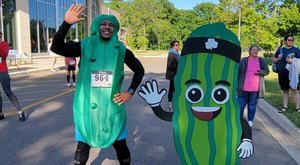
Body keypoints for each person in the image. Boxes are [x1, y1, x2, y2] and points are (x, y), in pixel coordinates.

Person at [50, 4, 144, 165]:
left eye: (111, 24)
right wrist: (66, 24)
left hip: (112, 107)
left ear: (115, 29)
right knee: (83, 145)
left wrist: (129, 92)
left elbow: (139, 70)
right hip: (86, 106)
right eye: (103, 23)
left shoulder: (121, 49)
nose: (107, 27)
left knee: (120, 144)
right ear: (96, 26)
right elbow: (57, 47)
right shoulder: (85, 45)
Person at [237, 44, 269, 127]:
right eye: (254, 50)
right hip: (243, 88)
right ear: (250, 51)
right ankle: (239, 120)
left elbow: (266, 71)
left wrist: (260, 72)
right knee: (240, 105)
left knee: (252, 106)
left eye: (256, 50)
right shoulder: (244, 60)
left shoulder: (261, 61)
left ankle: (250, 120)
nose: (255, 51)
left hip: (255, 89)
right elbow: (238, 72)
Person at [0, 31, 26, 121]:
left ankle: (20, 112)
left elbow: (4, 54)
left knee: (8, 91)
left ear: (0, 35)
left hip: (2, 71)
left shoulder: (4, 44)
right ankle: (0, 113)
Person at [272, 34, 300, 113]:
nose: (291, 41)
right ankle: (285, 106)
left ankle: (298, 108)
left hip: (293, 74)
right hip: (282, 72)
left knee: (295, 90)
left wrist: (292, 60)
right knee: (285, 90)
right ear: (285, 41)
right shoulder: (281, 50)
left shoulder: (296, 50)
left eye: (292, 40)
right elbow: (274, 60)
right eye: (289, 40)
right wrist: (278, 58)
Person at [165, 40, 180, 111]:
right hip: (172, 75)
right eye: (176, 45)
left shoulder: (176, 53)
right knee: (172, 89)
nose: (178, 46)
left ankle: (174, 103)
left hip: (176, 74)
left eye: (178, 45)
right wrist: (179, 64)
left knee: (175, 89)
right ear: (172, 46)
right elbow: (170, 65)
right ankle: (170, 104)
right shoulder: (171, 54)